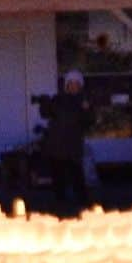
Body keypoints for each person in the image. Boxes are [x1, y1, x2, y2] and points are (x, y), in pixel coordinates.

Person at [38, 70, 93, 208]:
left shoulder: (84, 101)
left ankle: (82, 201)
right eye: (71, 83)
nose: (73, 86)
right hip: (57, 142)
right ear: (66, 85)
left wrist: (86, 110)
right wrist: (43, 102)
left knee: (76, 173)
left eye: (76, 84)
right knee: (58, 174)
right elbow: (45, 113)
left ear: (80, 86)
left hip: (73, 143)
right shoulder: (58, 99)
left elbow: (89, 121)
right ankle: (60, 202)